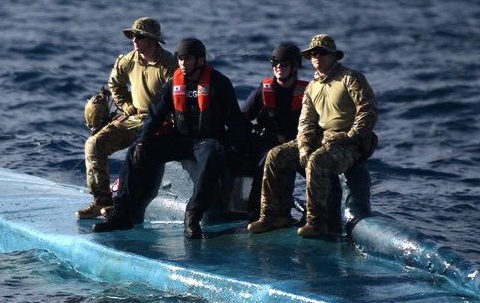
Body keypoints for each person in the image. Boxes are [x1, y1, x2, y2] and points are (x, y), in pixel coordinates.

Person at [94, 38, 248, 239]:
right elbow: (153, 117)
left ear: (200, 61)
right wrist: (142, 141)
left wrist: (231, 147)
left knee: (213, 152)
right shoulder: (172, 84)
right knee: (136, 151)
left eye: (187, 59)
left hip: (206, 141)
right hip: (179, 139)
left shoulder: (219, 83)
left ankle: (193, 215)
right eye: (180, 59)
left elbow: (235, 121)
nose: (183, 63)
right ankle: (121, 213)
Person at [248, 34, 378, 238]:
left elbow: (368, 111)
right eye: (313, 54)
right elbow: (306, 120)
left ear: (334, 56)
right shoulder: (312, 86)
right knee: (275, 156)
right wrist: (304, 146)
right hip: (322, 138)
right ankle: (273, 215)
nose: (317, 57)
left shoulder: (350, 78)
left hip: (349, 144)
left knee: (317, 161)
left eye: (322, 53)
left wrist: (351, 135)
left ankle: (317, 222)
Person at [76, 17, 178, 219]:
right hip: (135, 118)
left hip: (161, 122)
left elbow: (177, 97)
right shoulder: (128, 61)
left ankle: (125, 204)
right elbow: (115, 84)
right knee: (94, 144)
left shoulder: (169, 65)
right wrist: (126, 105)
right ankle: (102, 201)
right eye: (133, 36)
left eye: (139, 36)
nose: (134, 40)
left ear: (152, 39)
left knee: (138, 154)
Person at [240, 43, 308, 221]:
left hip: (298, 144)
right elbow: (241, 119)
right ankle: (256, 212)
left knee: (316, 167)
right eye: (275, 63)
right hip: (268, 143)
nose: (278, 67)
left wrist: (288, 137)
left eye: (284, 64)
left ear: (295, 67)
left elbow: (317, 123)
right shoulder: (263, 90)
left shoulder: (308, 92)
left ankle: (317, 214)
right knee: (266, 161)